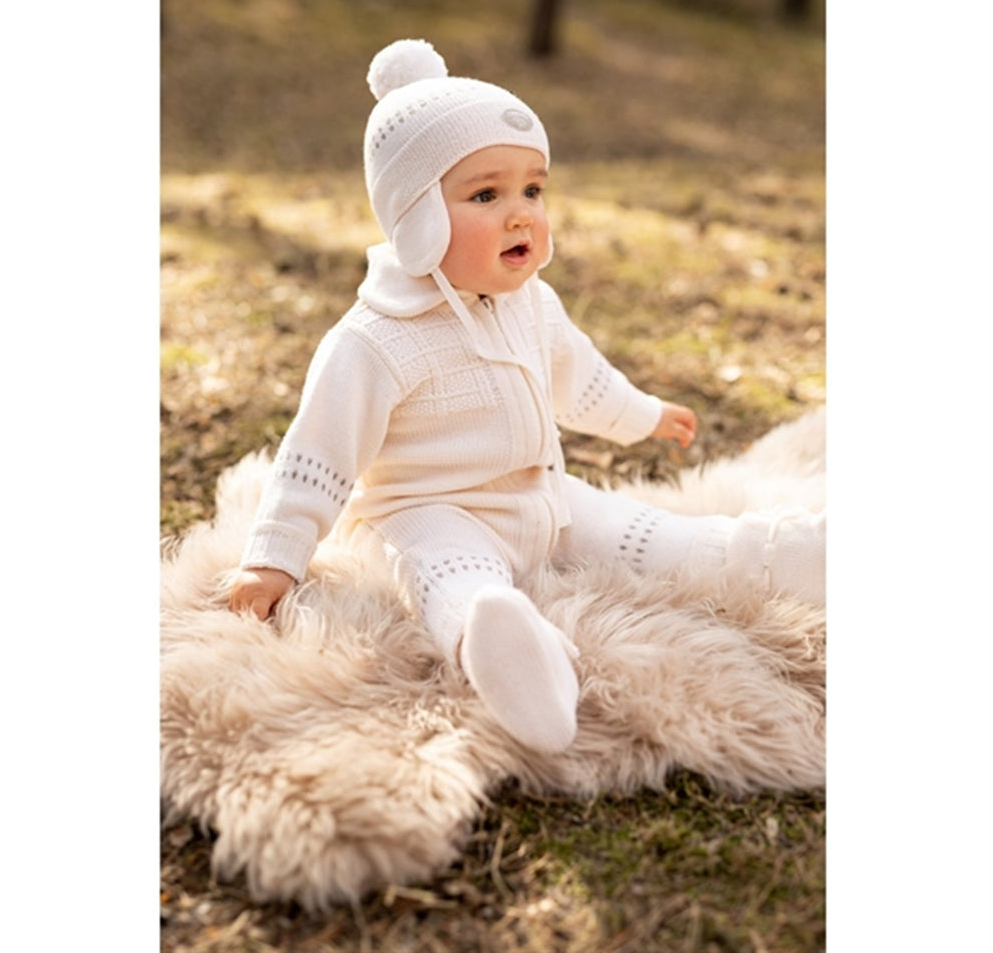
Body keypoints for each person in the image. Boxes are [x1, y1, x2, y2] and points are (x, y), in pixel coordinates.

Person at [229, 39, 824, 755]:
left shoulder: (533, 303)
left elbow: (581, 378)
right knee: (451, 578)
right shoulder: (372, 341)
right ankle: (505, 648)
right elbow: (316, 456)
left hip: (541, 498)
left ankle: (779, 554)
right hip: (431, 513)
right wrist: (274, 557)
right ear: (416, 217)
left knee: (647, 533)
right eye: (486, 195)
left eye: (532, 191)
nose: (520, 215)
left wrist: (644, 415)